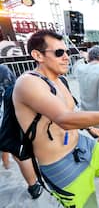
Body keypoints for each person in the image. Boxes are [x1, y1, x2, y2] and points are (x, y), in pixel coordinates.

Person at [14, 30, 99, 208]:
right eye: (58, 53)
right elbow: (63, 119)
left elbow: (72, 109)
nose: (66, 57)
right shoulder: (28, 82)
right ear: (37, 55)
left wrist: (90, 128)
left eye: (66, 52)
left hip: (81, 144)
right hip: (59, 163)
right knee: (88, 205)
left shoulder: (60, 80)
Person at [0, 64, 43, 199]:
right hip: (12, 124)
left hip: (6, 126)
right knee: (21, 154)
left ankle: (6, 163)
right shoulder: (11, 86)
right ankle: (33, 186)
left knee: (14, 151)